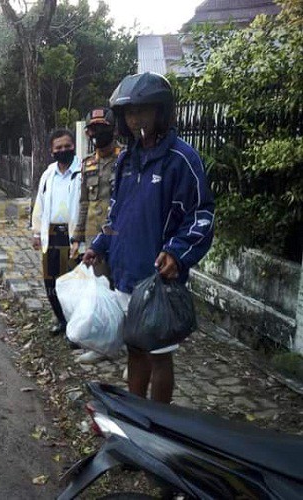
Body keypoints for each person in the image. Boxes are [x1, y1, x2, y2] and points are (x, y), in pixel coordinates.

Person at [82, 73, 215, 403]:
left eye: (142, 111)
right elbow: (117, 214)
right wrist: (99, 245)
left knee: (159, 355)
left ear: (161, 112)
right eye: (129, 113)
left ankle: (159, 422)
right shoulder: (127, 159)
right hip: (125, 275)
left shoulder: (181, 159)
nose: (135, 118)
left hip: (157, 281)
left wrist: (177, 252)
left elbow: (201, 215)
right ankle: (136, 417)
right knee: (135, 350)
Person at [70, 107, 123, 364]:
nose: (95, 133)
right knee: (98, 291)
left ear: (112, 128)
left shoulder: (126, 157)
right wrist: (77, 238)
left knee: (122, 293)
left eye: (101, 127)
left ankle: (129, 349)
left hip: (120, 235)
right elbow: (83, 202)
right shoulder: (87, 163)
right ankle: (103, 345)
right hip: (94, 237)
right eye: (92, 129)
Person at [31, 129, 82, 335]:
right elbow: (40, 204)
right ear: (52, 151)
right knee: (50, 280)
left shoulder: (83, 172)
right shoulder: (48, 173)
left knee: (72, 282)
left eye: (67, 146)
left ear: (74, 146)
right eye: (58, 148)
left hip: (73, 235)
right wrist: (36, 232)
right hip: (50, 234)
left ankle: (76, 326)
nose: (63, 150)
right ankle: (61, 320)